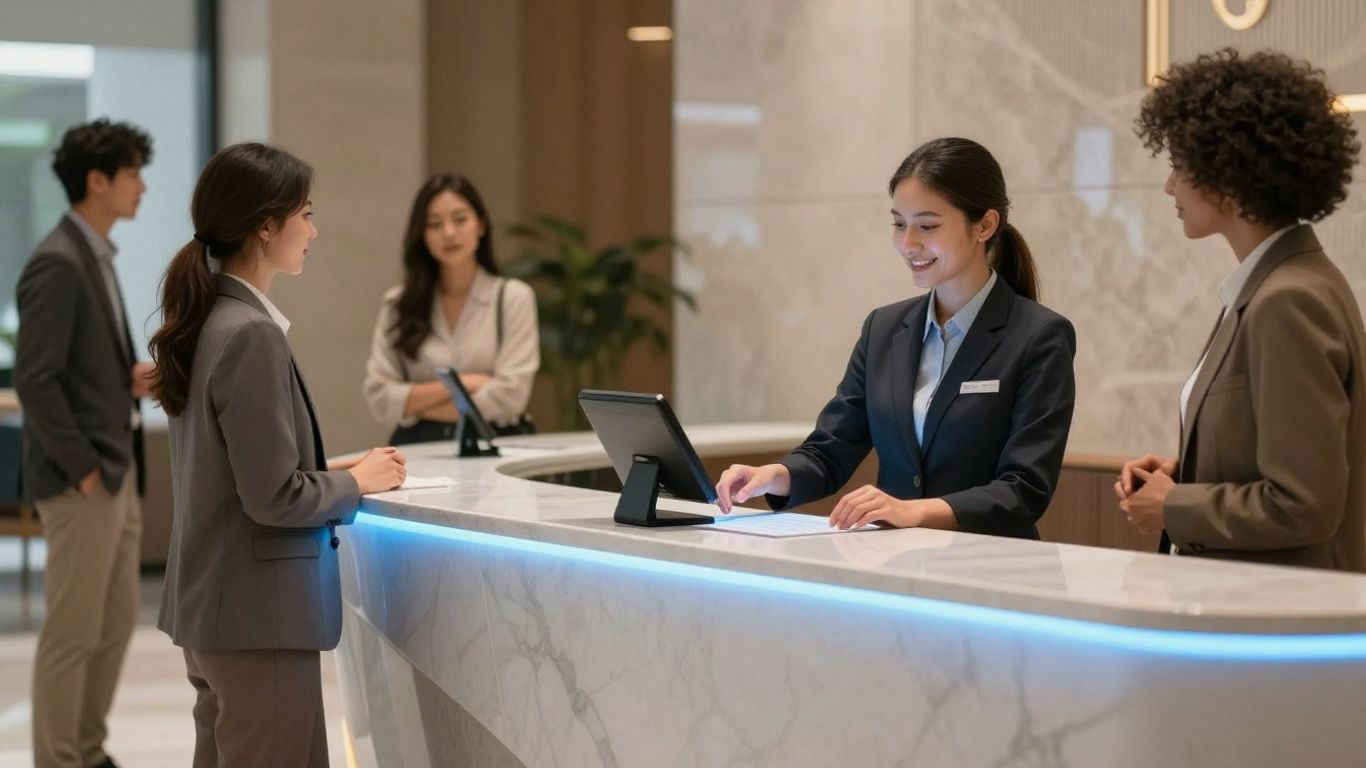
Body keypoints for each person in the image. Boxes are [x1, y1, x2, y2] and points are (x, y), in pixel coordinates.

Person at [149, 143, 407, 766]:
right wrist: (356, 484)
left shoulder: (209, 318)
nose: (313, 231)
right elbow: (272, 497)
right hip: (257, 618)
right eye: (306, 214)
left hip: (218, 615)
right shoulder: (251, 333)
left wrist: (332, 471)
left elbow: (229, 470)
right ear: (267, 225)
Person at [715, 137, 1076, 537]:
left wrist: (914, 510)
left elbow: (1023, 490)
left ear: (985, 225)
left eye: (928, 226)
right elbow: (831, 449)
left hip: (989, 568)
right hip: (895, 568)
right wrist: (773, 475)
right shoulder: (884, 329)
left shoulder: (1039, 336)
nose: (908, 244)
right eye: (899, 224)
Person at [1117, 48, 1366, 572]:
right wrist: (1185, 472)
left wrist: (1172, 505)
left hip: (1283, 623)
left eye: (1179, 166)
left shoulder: (1287, 300)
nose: (1169, 185)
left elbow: (1304, 504)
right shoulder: (1280, 283)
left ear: (1226, 176)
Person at [15, 118, 154, 768]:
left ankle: (89, 753)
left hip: (116, 470)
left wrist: (127, 379)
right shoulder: (58, 259)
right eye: (132, 174)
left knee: (112, 625)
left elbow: (75, 367)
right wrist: (85, 473)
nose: (142, 187)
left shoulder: (92, 254)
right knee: (73, 635)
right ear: (97, 182)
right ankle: (60, 760)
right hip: (85, 478)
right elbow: (35, 381)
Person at [363, 173, 539, 444]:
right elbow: (380, 398)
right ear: (422, 234)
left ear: (480, 224)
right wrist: (469, 382)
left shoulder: (512, 298)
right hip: (417, 448)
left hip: (496, 444)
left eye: (460, 219)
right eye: (434, 224)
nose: (449, 233)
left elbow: (510, 398)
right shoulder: (397, 304)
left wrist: (415, 404)